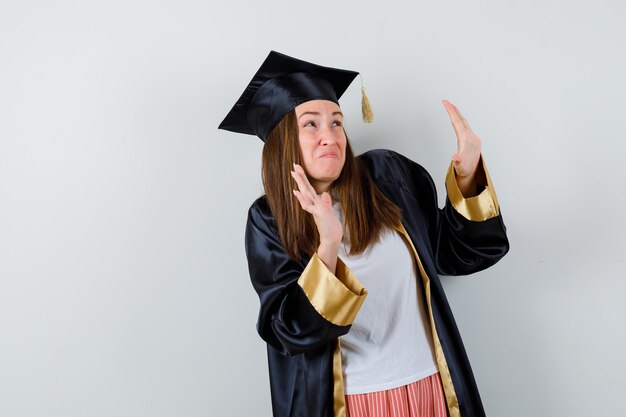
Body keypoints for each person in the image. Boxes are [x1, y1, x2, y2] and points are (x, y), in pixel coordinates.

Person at [218, 51, 509, 417]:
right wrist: (328, 246)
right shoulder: (270, 221)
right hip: (351, 401)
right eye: (311, 125)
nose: (330, 137)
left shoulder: (389, 177)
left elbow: (458, 254)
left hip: (432, 387)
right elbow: (289, 333)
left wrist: (468, 177)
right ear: (282, 141)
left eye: (336, 123)